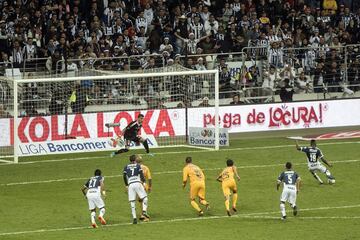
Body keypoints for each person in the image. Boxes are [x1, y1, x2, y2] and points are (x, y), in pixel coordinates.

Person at [123, 155, 150, 224]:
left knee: (132, 202)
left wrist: (126, 185)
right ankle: (144, 211)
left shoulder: (126, 167)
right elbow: (141, 175)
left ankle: (134, 218)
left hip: (130, 185)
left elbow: (124, 176)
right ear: (135, 160)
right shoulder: (138, 166)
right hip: (138, 183)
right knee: (145, 198)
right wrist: (144, 183)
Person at [136, 155, 152, 220]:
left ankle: (142, 214)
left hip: (136, 185)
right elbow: (150, 178)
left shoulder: (134, 168)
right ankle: (143, 213)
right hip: (144, 185)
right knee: (144, 199)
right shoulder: (146, 168)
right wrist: (150, 186)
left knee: (140, 200)